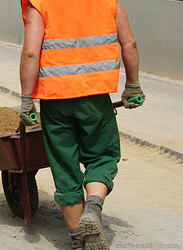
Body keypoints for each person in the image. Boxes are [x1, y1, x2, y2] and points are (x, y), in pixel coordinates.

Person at [19, 0, 145, 249]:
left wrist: (26, 99)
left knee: (65, 167)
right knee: (102, 157)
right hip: (95, 98)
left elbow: (31, 51)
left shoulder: (39, 2)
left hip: (55, 100)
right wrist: (132, 85)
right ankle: (93, 208)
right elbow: (129, 42)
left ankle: (78, 237)